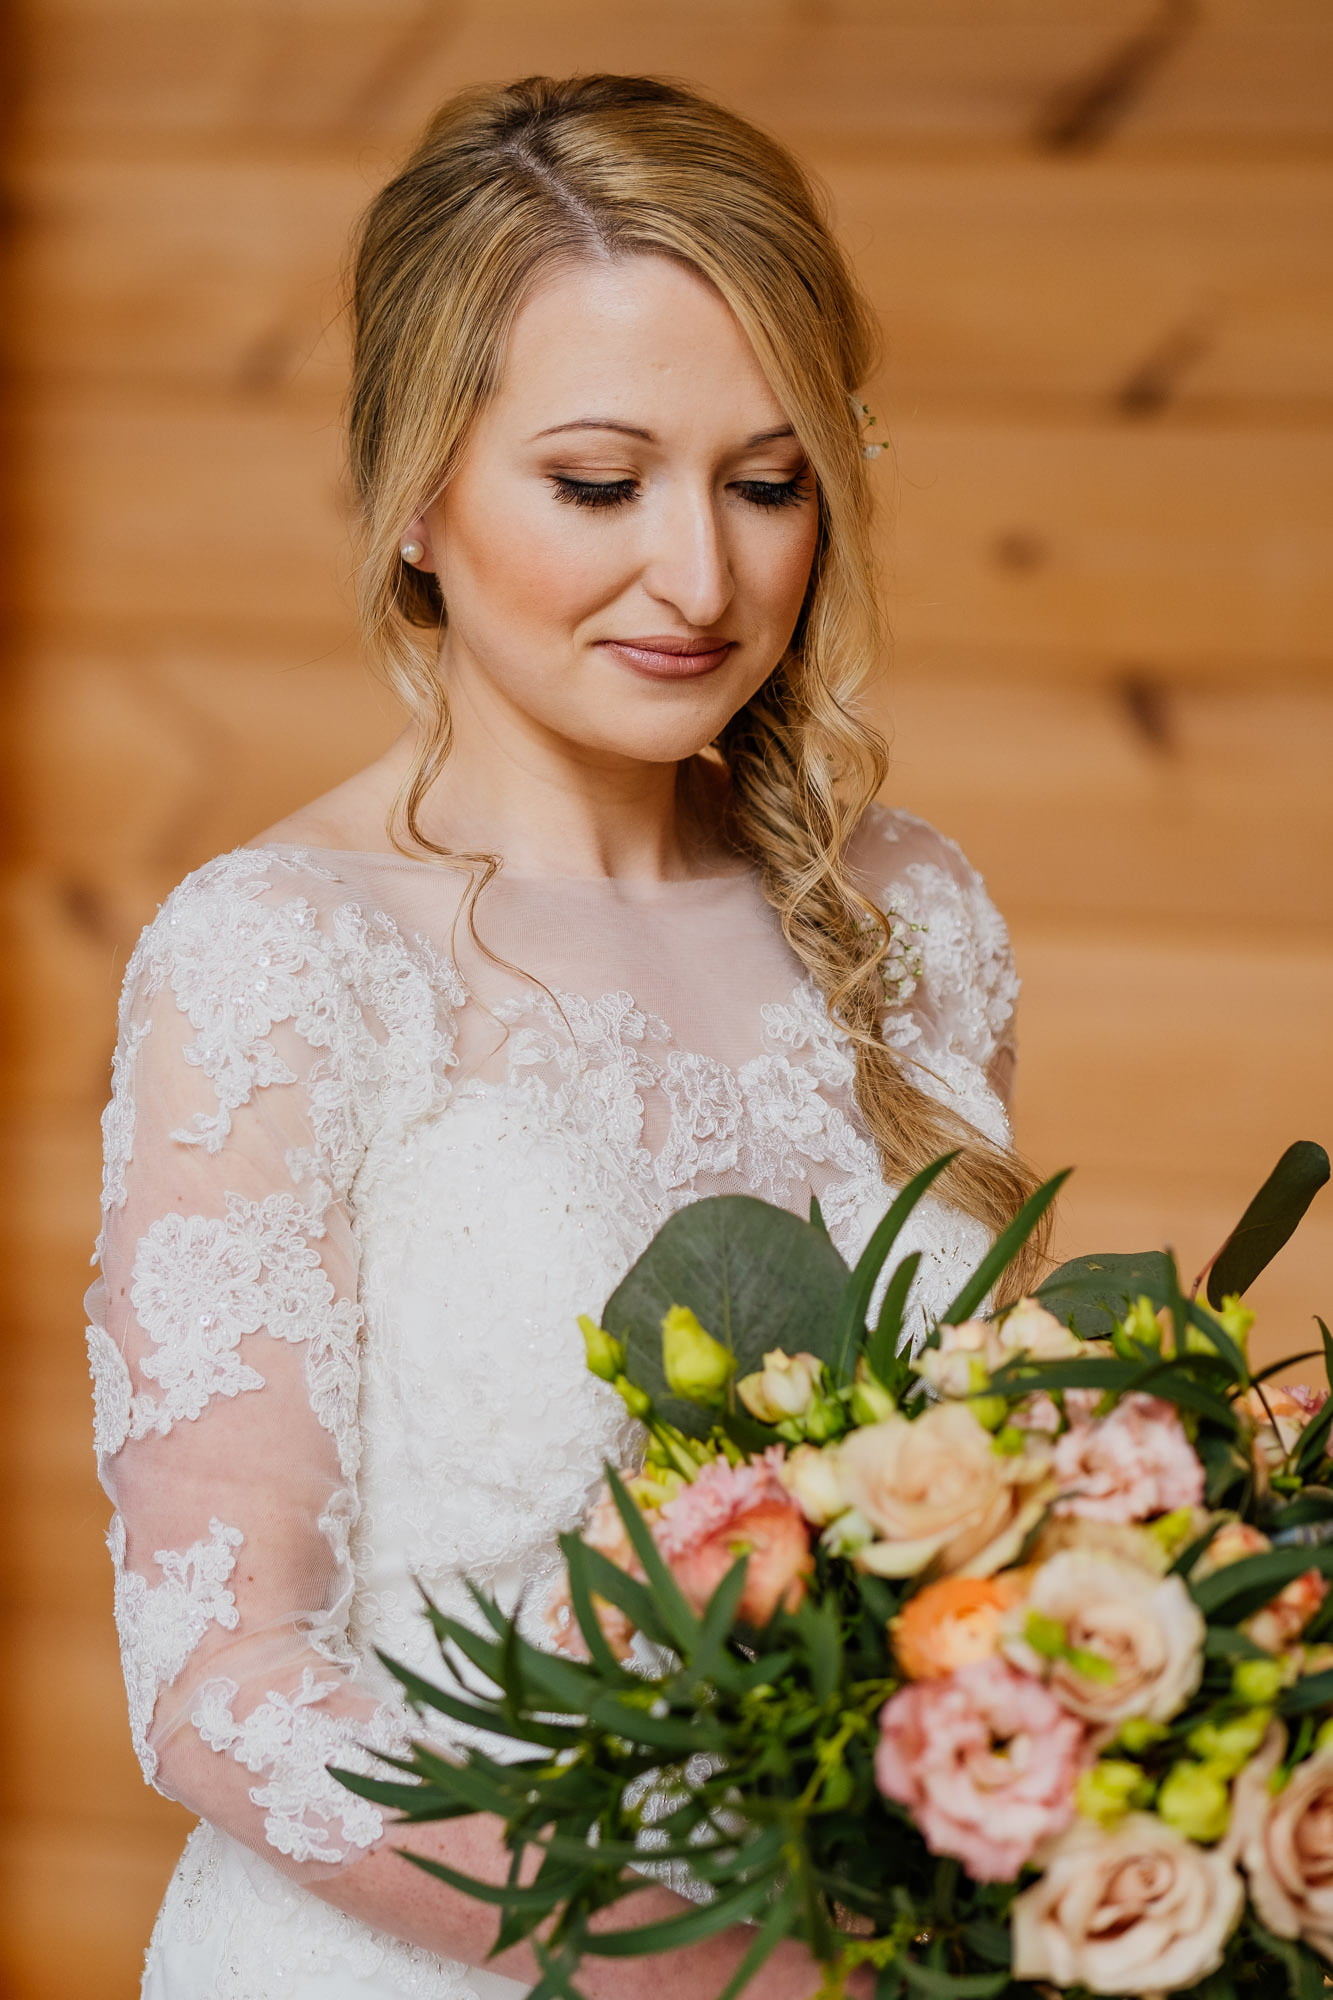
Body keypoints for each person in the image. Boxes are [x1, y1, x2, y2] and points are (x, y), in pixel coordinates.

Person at [87, 72, 1043, 1999]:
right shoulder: (281, 957)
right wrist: (713, 1959)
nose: (699, 578)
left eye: (766, 483)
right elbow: (220, 1682)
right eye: (599, 485)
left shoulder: (909, 916)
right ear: (415, 496)